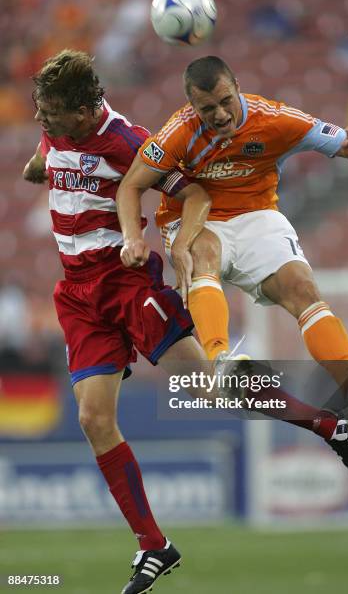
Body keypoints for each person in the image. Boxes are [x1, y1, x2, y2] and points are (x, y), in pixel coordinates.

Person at [22, 48, 220, 594]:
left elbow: (191, 190)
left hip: (125, 282)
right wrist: (39, 162)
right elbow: (43, 159)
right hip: (80, 297)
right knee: (92, 419)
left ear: (84, 112)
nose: (40, 120)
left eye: (50, 113)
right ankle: (154, 546)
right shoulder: (58, 133)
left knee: (208, 389)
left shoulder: (128, 141)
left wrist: (179, 241)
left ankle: (326, 422)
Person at [116, 55, 348, 430]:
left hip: (256, 213)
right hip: (195, 217)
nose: (220, 115)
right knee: (204, 251)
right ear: (192, 106)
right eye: (207, 108)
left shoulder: (277, 120)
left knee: (302, 288)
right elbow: (131, 184)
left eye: (226, 101)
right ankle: (222, 359)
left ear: (237, 88)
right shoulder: (177, 133)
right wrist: (133, 237)